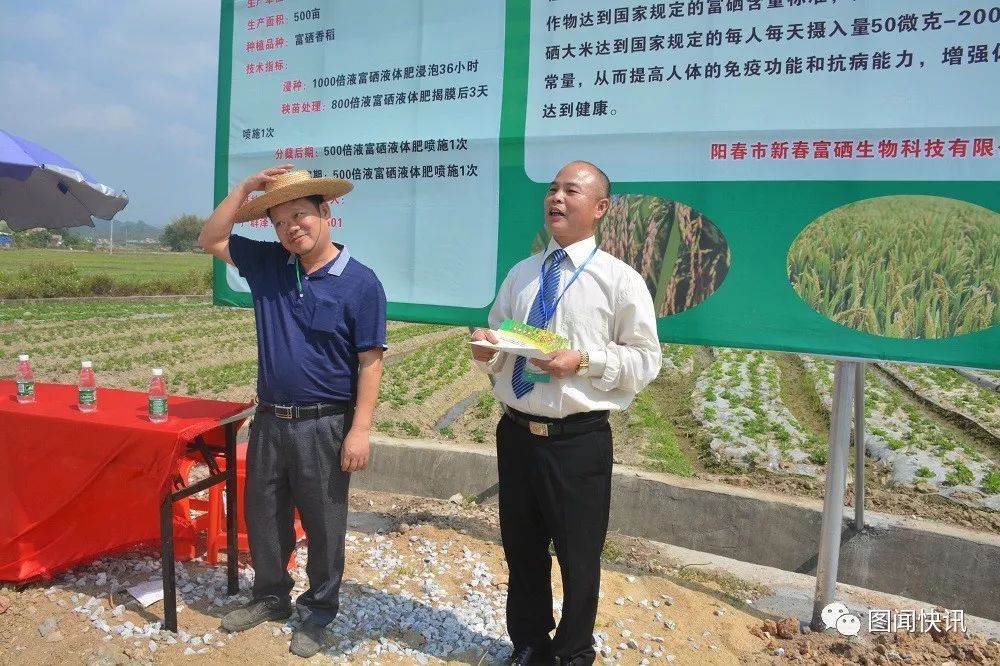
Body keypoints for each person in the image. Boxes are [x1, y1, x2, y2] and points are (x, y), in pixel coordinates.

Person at [470, 161, 661, 665]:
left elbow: (646, 359)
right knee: (523, 548)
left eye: (570, 190)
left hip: (577, 440)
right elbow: (498, 334)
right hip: (516, 435)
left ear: (599, 208)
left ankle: (573, 652)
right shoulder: (523, 273)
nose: (556, 198)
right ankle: (529, 644)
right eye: (552, 189)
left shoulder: (620, 281)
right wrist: (488, 348)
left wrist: (585, 360)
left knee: (578, 557)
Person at [198, 166, 386, 658]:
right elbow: (211, 237)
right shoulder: (269, 264)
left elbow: (370, 362)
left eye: (300, 215)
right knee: (264, 515)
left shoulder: (360, 283)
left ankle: (320, 610)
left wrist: (360, 430)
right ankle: (271, 597)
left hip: (325, 424)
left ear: (326, 213)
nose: (291, 229)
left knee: (324, 524)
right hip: (269, 421)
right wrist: (243, 191)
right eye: (279, 221)